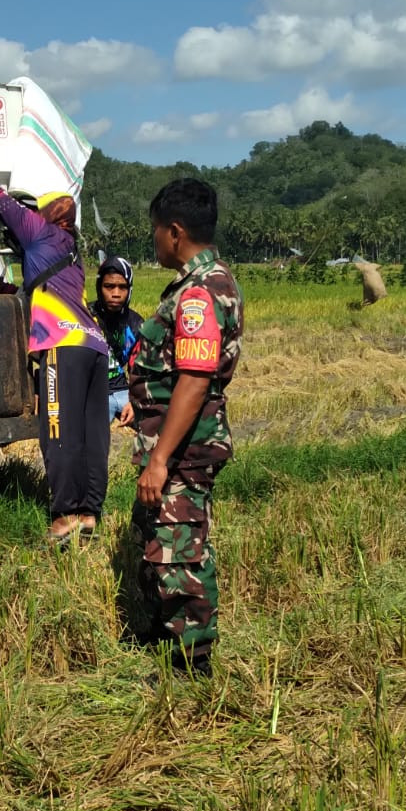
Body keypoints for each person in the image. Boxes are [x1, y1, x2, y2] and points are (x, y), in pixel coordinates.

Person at [0, 125, 110, 545]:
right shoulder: (72, 249)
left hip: (62, 346)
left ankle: (64, 516)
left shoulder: (38, 231)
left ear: (43, 215)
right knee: (92, 436)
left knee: (58, 431)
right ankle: (89, 514)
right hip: (93, 345)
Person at [127, 178, 243, 678]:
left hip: (183, 451)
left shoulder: (198, 293)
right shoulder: (204, 282)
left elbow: (194, 382)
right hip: (177, 444)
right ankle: (165, 635)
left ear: (175, 231)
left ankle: (191, 664)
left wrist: (159, 460)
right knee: (161, 541)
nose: (154, 239)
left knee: (180, 553)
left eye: (156, 229)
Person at [91, 254, 144, 425]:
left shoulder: (136, 323)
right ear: (99, 287)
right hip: (93, 393)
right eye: (109, 286)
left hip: (123, 392)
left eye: (122, 287)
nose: (116, 294)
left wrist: (135, 401)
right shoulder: (84, 318)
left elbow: (139, 371)